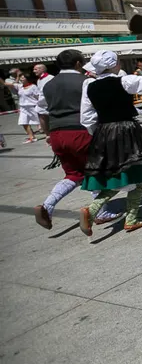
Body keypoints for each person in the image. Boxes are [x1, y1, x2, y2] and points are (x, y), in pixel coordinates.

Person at [77, 45, 142, 235]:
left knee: (122, 175)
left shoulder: (89, 86)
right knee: (135, 172)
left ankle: (113, 214)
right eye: (118, 60)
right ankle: (117, 215)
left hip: (104, 132)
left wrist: (99, 134)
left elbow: (86, 118)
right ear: (113, 65)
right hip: (126, 130)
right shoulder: (124, 81)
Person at [33, 49, 122, 229]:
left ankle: (48, 205)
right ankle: (101, 212)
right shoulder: (86, 81)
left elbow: (41, 112)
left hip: (58, 134)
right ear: (78, 64)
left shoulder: (48, 84)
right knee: (97, 171)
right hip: (81, 132)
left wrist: (48, 134)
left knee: (73, 174)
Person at [5, 72, 39, 143]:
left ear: (28, 79)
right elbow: (6, 84)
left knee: (40, 122)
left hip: (33, 107)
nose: (21, 79)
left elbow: (38, 97)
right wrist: (17, 76)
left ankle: (49, 134)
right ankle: (31, 137)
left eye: (23, 77)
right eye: (21, 77)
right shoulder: (19, 86)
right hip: (23, 107)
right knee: (23, 122)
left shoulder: (33, 86)